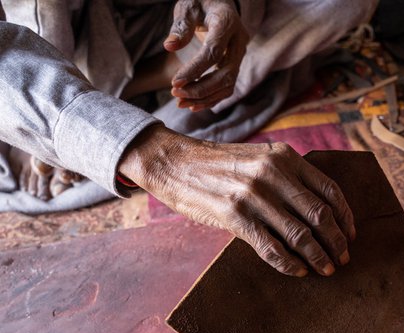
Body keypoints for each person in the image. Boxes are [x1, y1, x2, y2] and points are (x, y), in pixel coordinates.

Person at [0, 2, 371, 277]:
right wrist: (155, 157)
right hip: (45, 34)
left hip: (157, 23)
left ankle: (125, 93)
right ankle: (63, 108)